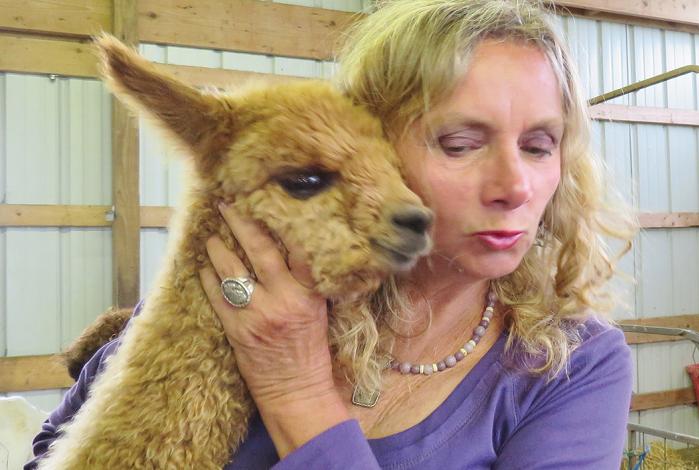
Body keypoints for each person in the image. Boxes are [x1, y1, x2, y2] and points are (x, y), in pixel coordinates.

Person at [28, 0, 637, 468]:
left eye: (539, 146)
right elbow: (56, 448)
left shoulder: (573, 368)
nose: (516, 185)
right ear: (372, 144)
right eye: (459, 143)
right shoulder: (243, 290)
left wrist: (295, 387)